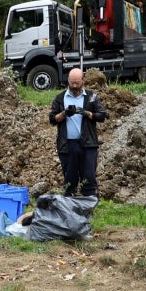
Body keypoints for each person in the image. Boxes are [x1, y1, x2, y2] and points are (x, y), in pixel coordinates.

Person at [47, 68, 109, 197]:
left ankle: (89, 205)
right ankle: (70, 207)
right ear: (68, 81)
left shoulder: (91, 97)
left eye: (77, 83)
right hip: (68, 145)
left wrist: (87, 113)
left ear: (83, 81)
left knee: (89, 177)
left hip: (88, 144)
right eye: (72, 83)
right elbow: (52, 119)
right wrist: (64, 114)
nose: (74, 86)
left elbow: (102, 116)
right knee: (70, 179)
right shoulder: (60, 98)